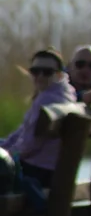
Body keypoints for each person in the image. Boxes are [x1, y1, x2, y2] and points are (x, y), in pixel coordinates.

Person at [1, 48, 77, 195]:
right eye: (35, 71)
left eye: (47, 72)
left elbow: (27, 146)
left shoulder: (47, 100)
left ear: (59, 74)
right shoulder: (66, 94)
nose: (40, 76)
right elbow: (22, 133)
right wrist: (3, 147)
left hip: (37, 173)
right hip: (51, 172)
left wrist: (6, 155)